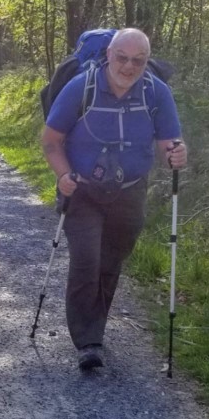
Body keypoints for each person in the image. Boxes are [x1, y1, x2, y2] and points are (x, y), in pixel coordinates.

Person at [40, 28, 188, 371]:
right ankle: (88, 342)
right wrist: (62, 176)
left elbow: (171, 143)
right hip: (83, 189)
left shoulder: (156, 93)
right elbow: (51, 139)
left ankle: (96, 328)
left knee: (110, 264)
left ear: (146, 62)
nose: (128, 67)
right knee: (87, 262)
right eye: (122, 58)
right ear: (108, 54)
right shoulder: (82, 87)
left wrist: (177, 155)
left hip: (130, 191)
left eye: (138, 60)